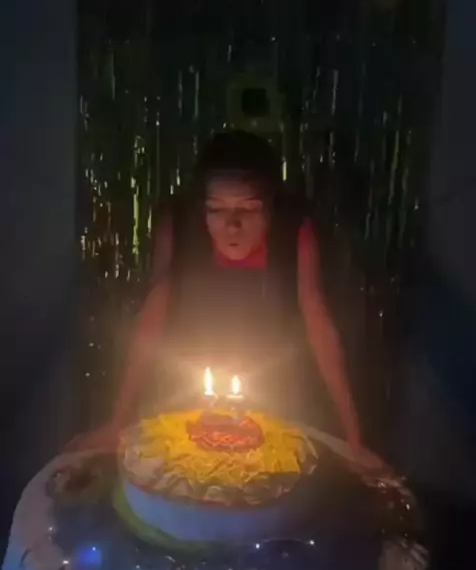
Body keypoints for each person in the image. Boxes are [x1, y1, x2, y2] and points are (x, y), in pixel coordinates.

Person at [71, 131, 382, 469]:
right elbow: (152, 317)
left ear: (272, 207)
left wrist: (355, 440)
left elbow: (318, 323)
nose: (232, 225)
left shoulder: (294, 232)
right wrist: (117, 422)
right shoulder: (180, 225)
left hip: (274, 389)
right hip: (187, 389)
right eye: (216, 209)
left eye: (248, 208)